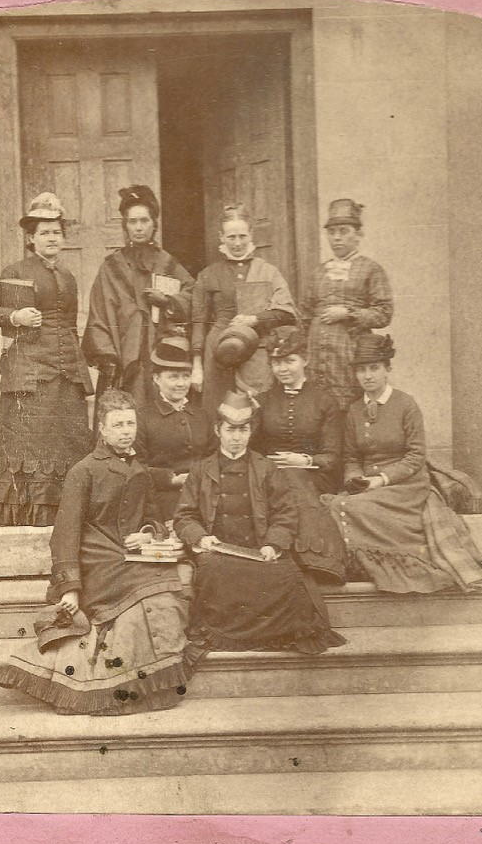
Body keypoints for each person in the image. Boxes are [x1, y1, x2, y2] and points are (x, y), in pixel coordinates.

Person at [0, 389, 191, 715]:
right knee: (152, 590)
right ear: (102, 428)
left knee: (167, 586)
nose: (126, 431)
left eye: (130, 424)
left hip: (129, 556)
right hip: (96, 560)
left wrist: (147, 534)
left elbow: (153, 517)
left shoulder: (139, 469)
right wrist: (70, 588)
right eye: (118, 425)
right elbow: (64, 534)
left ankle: (148, 680)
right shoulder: (83, 471)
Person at [327, 334, 482, 593]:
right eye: (361, 370)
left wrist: (381, 480)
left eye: (374, 368)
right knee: (337, 505)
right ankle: (367, 566)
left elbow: (416, 456)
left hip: (407, 483)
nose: (368, 376)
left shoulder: (406, 404)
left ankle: (399, 567)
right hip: (368, 484)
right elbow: (351, 457)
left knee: (349, 507)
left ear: (387, 370)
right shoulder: (353, 411)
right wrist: (354, 479)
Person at [174, 391, 346, 656]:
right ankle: (230, 634)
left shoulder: (266, 468)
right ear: (218, 431)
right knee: (211, 571)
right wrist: (201, 538)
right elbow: (184, 516)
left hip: (258, 548)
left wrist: (274, 544)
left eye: (243, 430)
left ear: (250, 431)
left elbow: (285, 512)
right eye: (230, 430)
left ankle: (272, 634)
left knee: (287, 575)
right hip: (218, 552)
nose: (236, 437)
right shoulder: (200, 469)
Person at [0, 193, 93, 526]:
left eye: (56, 232)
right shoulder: (15, 271)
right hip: (30, 374)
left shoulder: (68, 277)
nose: (51, 238)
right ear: (31, 238)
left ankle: (67, 515)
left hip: (66, 372)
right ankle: (33, 517)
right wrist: (15, 316)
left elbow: (70, 326)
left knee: (68, 440)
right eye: (44, 233)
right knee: (33, 442)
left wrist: (78, 366)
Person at [82, 184, 194, 418]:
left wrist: (167, 301)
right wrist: (108, 357)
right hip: (121, 358)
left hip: (159, 354)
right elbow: (97, 316)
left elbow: (193, 296)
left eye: (144, 220)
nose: (139, 227)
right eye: (133, 221)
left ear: (154, 224)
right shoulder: (111, 266)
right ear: (125, 225)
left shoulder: (167, 263)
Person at [250, 326, 348, 585]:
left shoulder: (324, 401)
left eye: (289, 361)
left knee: (293, 479)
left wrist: (305, 461)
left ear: (305, 360)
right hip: (270, 476)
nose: (282, 369)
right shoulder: (262, 401)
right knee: (281, 482)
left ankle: (317, 559)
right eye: (276, 363)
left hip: (315, 478)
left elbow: (333, 457)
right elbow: (251, 450)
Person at [191, 203, 298, 415]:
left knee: (256, 412)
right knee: (218, 413)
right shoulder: (208, 275)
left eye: (242, 236)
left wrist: (256, 319)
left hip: (255, 352)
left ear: (251, 234)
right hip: (217, 353)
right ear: (221, 237)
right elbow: (198, 321)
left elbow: (287, 313)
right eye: (231, 237)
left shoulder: (268, 271)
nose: (237, 243)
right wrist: (197, 366)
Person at [301, 199, 394, 410]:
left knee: (349, 411)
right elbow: (304, 315)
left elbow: (384, 312)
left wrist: (349, 313)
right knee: (318, 409)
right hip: (317, 357)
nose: (336, 238)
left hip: (349, 354)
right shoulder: (318, 272)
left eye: (343, 231)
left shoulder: (371, 269)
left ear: (358, 234)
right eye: (332, 232)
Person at [134, 336, 216, 523]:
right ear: (156, 378)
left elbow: (214, 457)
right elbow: (136, 467)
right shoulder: (143, 417)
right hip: (162, 504)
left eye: (186, 376)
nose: (181, 384)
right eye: (173, 377)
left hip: (202, 499)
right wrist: (169, 479)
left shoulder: (201, 416)